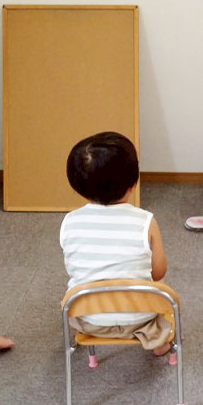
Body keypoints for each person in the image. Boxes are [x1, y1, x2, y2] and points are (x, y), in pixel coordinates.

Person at [60, 132, 170, 356]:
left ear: (77, 184)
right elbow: (158, 272)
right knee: (162, 291)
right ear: (133, 183)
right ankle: (158, 341)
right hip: (140, 316)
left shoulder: (70, 221)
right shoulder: (145, 221)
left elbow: (74, 267)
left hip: (87, 317)